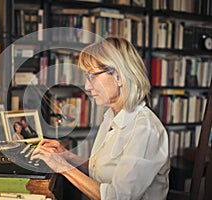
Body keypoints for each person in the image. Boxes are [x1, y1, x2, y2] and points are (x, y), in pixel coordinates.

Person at [31, 37, 170, 200]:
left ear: (118, 76)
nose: (88, 87)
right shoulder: (112, 115)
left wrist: (62, 167)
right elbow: (101, 171)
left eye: (92, 76)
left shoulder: (145, 130)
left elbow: (117, 197)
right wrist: (67, 156)